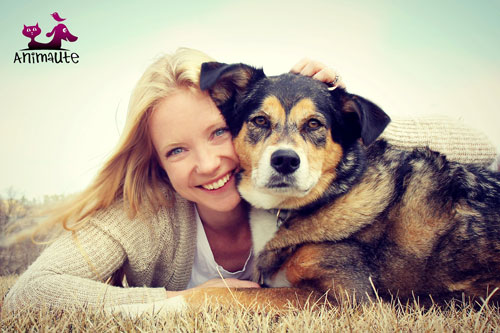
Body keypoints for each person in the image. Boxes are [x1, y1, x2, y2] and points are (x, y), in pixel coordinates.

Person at [2, 47, 497, 313]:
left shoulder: (313, 182)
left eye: (217, 132)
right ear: (157, 163)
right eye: (176, 150)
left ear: (232, 119)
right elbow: (30, 295)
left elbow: (462, 149)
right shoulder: (145, 216)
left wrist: (334, 106)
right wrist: (186, 304)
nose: (209, 163)